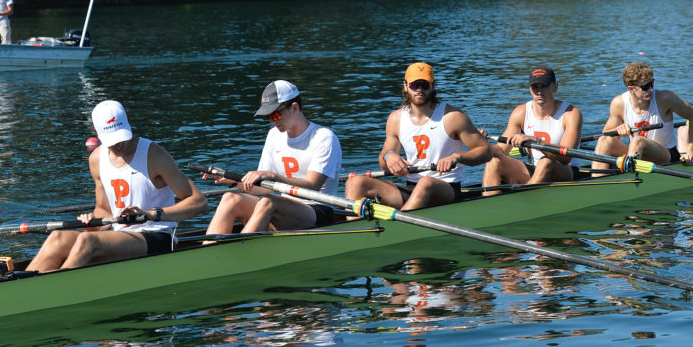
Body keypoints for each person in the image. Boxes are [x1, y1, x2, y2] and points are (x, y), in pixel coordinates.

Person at [27, 100, 207, 272]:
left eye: (121, 135)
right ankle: (23, 290)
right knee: (58, 238)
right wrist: (91, 224)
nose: (119, 144)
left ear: (127, 120)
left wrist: (149, 214)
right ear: (95, 131)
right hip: (120, 236)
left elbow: (199, 202)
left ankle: (51, 292)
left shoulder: (154, 155)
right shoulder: (96, 159)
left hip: (158, 237)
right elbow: (105, 212)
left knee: (87, 241)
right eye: (112, 139)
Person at [204, 80, 343, 236]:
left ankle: (240, 252)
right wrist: (233, 180)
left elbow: (312, 186)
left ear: (295, 108)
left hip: (316, 211)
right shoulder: (273, 136)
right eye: (268, 116)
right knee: (230, 198)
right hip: (282, 209)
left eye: (275, 114)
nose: (272, 121)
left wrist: (273, 176)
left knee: (269, 201)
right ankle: (208, 249)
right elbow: (261, 187)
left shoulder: (323, 137)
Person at [345, 62, 491, 210]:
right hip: (412, 189)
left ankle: (401, 226)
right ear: (406, 85)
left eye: (424, 85)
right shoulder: (395, 119)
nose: (419, 90)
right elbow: (383, 160)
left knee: (426, 182)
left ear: (433, 86)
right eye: (415, 85)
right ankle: (353, 229)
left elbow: (486, 151)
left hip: (447, 189)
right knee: (355, 182)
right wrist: (389, 156)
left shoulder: (453, 117)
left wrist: (457, 157)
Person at [481, 67, 583, 195]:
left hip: (566, 171)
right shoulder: (520, 113)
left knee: (545, 162)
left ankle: (525, 201)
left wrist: (536, 141)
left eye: (544, 86)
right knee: (494, 161)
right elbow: (501, 151)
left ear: (555, 87)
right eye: (535, 87)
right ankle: (490, 205)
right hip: (535, 170)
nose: (539, 91)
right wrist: (481, 142)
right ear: (530, 89)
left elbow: (566, 158)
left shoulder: (571, 114)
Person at [593, 62, 693, 170]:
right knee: (603, 141)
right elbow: (608, 135)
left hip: (666, 155)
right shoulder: (618, 103)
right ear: (631, 89)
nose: (651, 89)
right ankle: (596, 181)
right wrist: (619, 129)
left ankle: (628, 179)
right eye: (645, 86)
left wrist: (691, 150)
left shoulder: (665, 98)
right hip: (637, 153)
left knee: (637, 141)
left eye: (652, 83)